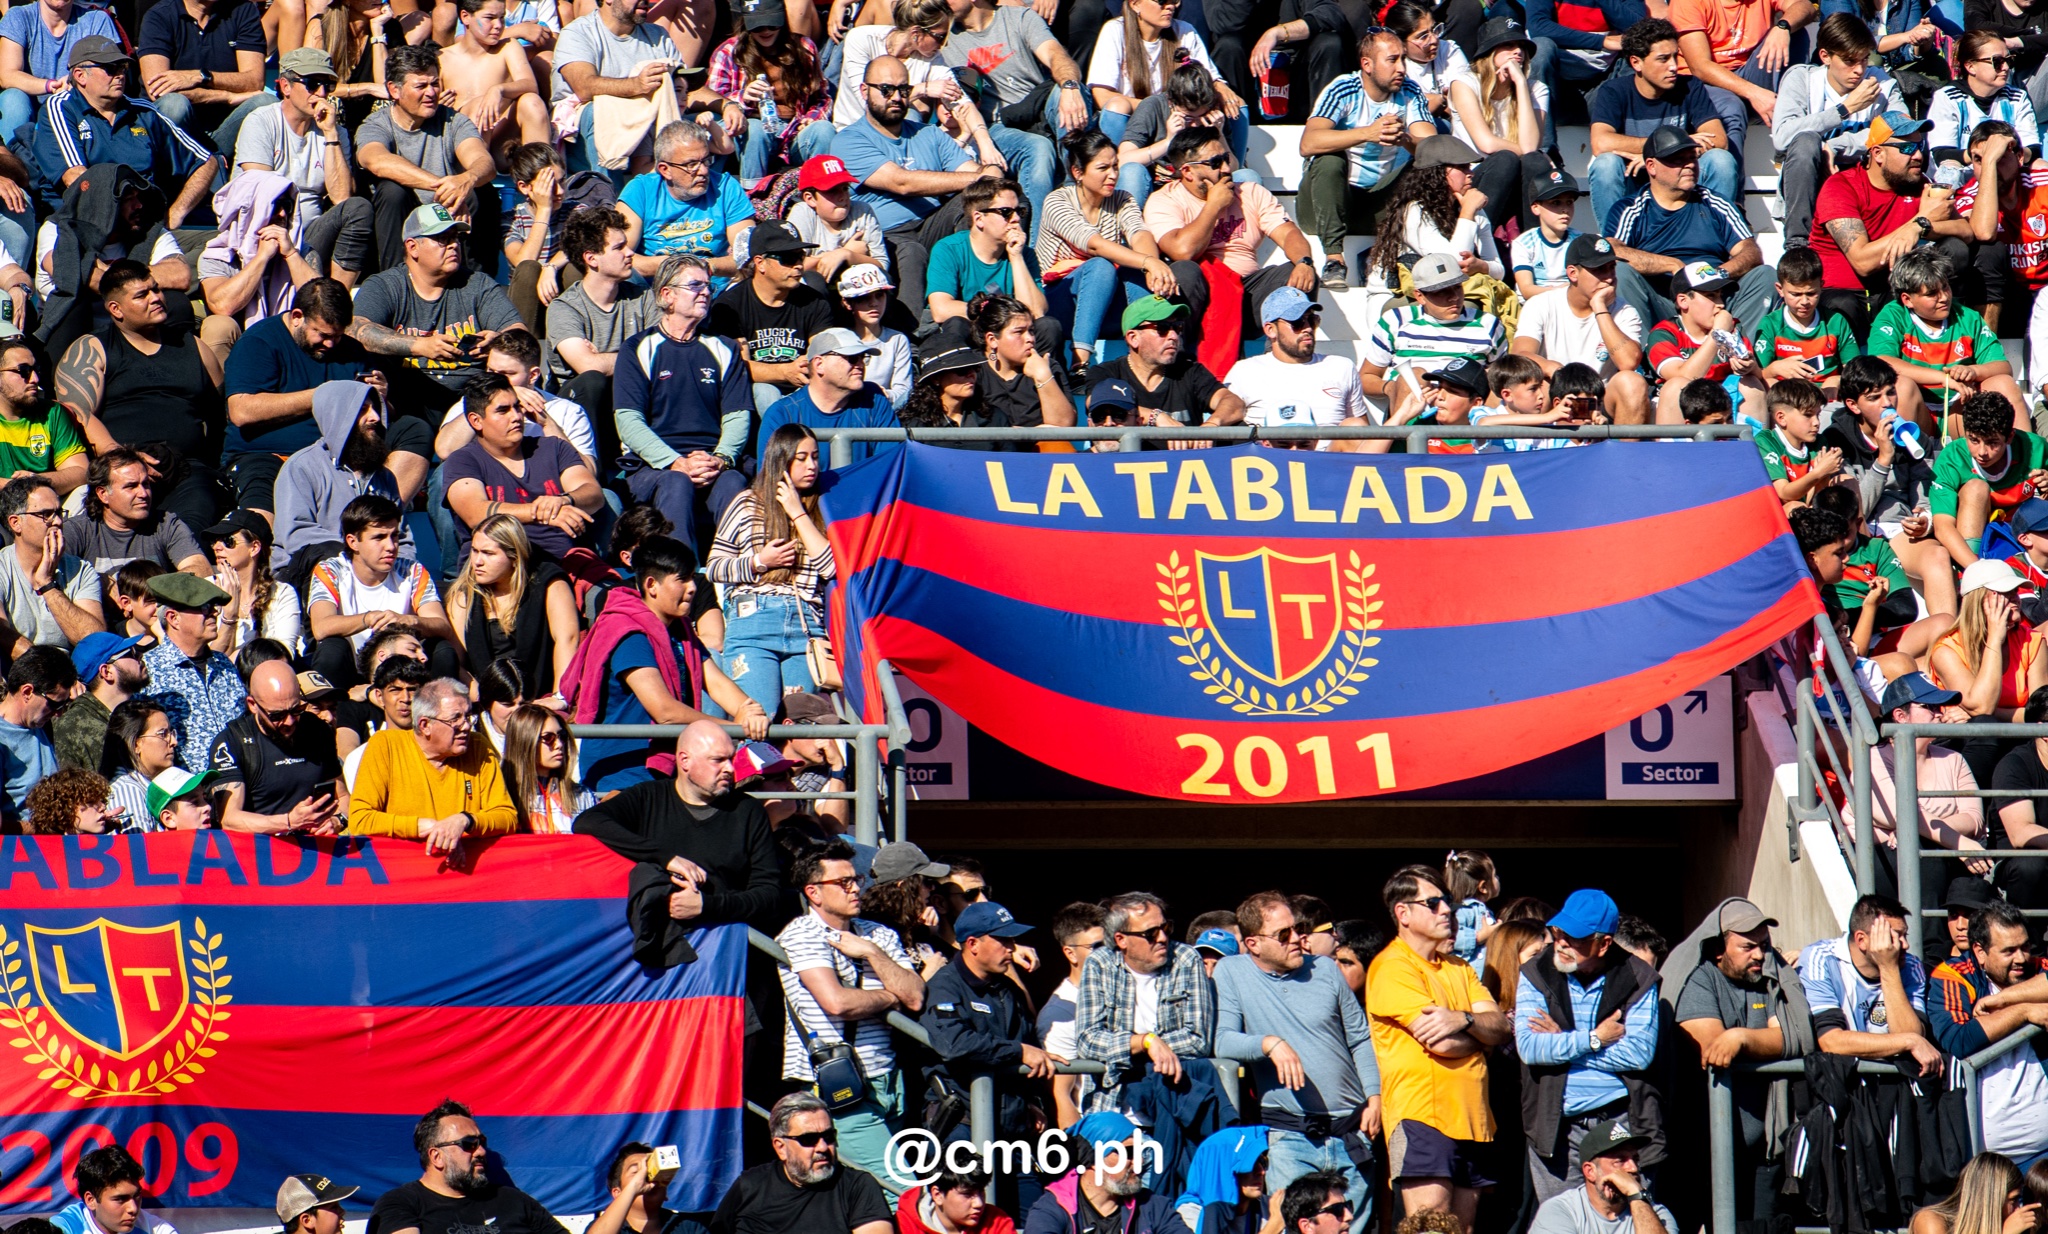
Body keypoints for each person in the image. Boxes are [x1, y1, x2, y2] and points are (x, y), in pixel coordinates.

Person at [1214, 890, 1381, 1230]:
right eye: (1283, 934)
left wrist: (1375, 1097)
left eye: (1299, 928)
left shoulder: (1325, 968)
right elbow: (1221, 1040)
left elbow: (1360, 1038)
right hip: (1291, 1134)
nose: (1298, 939)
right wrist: (1270, 1044)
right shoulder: (1232, 971)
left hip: (1352, 1128)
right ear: (1253, 943)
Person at [776, 838, 927, 1196]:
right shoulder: (801, 934)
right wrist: (891, 997)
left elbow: (916, 996)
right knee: (906, 1193)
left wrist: (871, 952)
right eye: (843, 882)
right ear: (813, 892)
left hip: (890, 1081)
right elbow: (837, 1003)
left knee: (866, 1196)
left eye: (856, 878)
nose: (856, 887)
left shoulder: (878, 935)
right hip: (839, 1086)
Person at [1367, 864, 1510, 1229]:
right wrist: (1481, 1042)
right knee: (1430, 1228)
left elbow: (1500, 1027)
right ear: (1403, 913)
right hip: (1423, 1119)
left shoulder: (1459, 967)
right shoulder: (1392, 966)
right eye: (1433, 903)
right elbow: (1443, 1043)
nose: (1447, 910)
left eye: (1446, 901)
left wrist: (1463, 1019)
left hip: (1474, 1121)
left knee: (1461, 1230)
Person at [221, 278, 423, 520]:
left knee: (414, 429)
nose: (330, 343)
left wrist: (380, 398)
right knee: (261, 518)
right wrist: (324, 394)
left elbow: (376, 416)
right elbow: (242, 411)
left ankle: (377, 518)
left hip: (342, 456)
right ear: (297, 316)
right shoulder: (260, 342)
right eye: (323, 334)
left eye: (337, 336)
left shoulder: (350, 350)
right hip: (269, 456)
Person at [53, 260, 227, 533]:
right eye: (142, 295)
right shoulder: (93, 349)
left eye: (155, 289)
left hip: (188, 469)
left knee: (190, 525)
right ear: (115, 309)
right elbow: (75, 413)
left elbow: (221, 412)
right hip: (123, 470)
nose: (156, 297)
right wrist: (121, 456)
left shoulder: (193, 346)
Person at [1512, 890, 1663, 1204]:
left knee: (1623, 1219)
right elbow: (1529, 1048)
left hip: (1621, 1124)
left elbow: (1638, 1054)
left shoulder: (1639, 977)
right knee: (1563, 1222)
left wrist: (1562, 1040)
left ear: (1604, 943)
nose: (1562, 942)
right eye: (1558, 932)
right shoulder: (1535, 972)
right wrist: (1593, 1038)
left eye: (1574, 937)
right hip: (1557, 1128)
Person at [1672, 898, 1812, 1234]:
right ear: (1719, 949)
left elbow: (1798, 1035)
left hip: (1768, 1149)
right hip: (1708, 1151)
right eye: (1748, 946)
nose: (1760, 955)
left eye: (1764, 945)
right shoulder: (1701, 980)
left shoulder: (1772, 975)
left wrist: (1742, 1039)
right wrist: (1753, 1039)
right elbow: (1714, 1047)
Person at [1148, 125, 1319, 378]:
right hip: (1200, 298)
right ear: (1188, 172)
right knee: (1184, 270)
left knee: (1298, 273)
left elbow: (1289, 233)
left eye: (1226, 158)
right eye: (1215, 162)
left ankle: (1279, 364)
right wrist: (1214, 206)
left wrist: (1305, 262)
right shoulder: (1165, 200)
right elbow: (1182, 251)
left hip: (1248, 296)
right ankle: (1180, 367)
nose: (1227, 169)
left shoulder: (1250, 192)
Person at [576, 718, 780, 928]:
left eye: (731, 759)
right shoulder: (648, 797)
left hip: (724, 942)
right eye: (717, 760)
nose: (729, 768)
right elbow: (588, 822)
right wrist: (665, 858)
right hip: (654, 941)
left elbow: (769, 894)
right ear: (684, 760)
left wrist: (706, 905)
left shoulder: (748, 811)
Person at [831, 55, 991, 317]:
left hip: (931, 223)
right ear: (864, 91)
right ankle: (911, 334)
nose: (896, 97)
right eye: (886, 89)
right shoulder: (848, 140)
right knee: (911, 251)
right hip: (888, 235)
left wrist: (989, 174)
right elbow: (901, 182)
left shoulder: (927, 133)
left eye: (903, 90)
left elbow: (973, 173)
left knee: (981, 202)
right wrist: (982, 178)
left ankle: (981, 303)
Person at [615, 255, 753, 554]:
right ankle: (679, 579)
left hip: (711, 460)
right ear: (667, 295)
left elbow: (737, 414)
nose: (705, 292)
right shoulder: (637, 348)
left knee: (732, 481)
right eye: (694, 285)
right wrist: (674, 462)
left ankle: (738, 574)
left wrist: (721, 458)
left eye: (708, 286)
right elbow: (628, 421)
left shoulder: (724, 347)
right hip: (655, 466)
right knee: (677, 482)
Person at [705, 422, 836, 710]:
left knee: (800, 726)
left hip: (806, 626)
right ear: (781, 459)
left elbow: (830, 568)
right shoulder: (747, 503)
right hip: (754, 621)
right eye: (800, 458)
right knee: (759, 717)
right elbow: (714, 566)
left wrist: (797, 513)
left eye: (814, 456)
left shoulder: (824, 507)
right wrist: (759, 562)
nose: (811, 465)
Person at [1810, 114, 1976, 336]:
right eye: (1907, 148)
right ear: (1878, 153)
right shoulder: (1841, 187)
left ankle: (1955, 341)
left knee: (1955, 249)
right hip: (1844, 294)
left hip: (1895, 290)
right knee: (1842, 305)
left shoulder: (1921, 184)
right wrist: (1917, 222)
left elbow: (1967, 232)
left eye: (1920, 146)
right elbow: (1862, 262)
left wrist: (1921, 226)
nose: (1918, 155)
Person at [1298, 27, 1436, 291]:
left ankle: (1415, 259)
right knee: (1330, 159)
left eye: (1403, 59)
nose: (1402, 68)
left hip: (1377, 206)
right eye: (1393, 60)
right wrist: (1368, 133)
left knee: (1425, 166)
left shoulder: (1410, 92)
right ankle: (1334, 260)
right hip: (1325, 205)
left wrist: (1405, 139)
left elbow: (1432, 150)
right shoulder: (1344, 88)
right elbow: (1308, 143)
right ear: (1367, 64)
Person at [347, 202, 522, 407]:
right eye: (442, 239)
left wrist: (499, 341)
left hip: (471, 401)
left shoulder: (478, 284)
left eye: (455, 237)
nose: (454, 245)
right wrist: (420, 345)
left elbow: (519, 332)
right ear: (413, 247)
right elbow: (356, 330)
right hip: (407, 400)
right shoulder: (385, 286)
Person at [1607, 125, 1775, 337]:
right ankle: (1651, 361)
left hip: (1716, 298)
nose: (1689, 165)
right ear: (1651, 166)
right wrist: (1672, 265)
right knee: (1620, 273)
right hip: (1664, 303)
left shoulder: (1714, 203)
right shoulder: (1631, 208)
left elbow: (1751, 252)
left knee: (1765, 276)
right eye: (1678, 160)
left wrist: (1716, 275)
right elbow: (1613, 250)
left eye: (1692, 158)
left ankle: (1735, 357)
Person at [368, 1099, 627, 1234]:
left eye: (481, 1142)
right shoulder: (400, 1204)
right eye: (468, 1144)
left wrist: (632, 1187)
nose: (480, 1151)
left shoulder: (512, 1200)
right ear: (436, 1157)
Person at [29, 38, 217, 222]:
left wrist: (175, 213)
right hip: (84, 224)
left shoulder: (143, 111)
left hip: (145, 223)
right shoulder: (61, 107)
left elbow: (206, 161)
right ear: (80, 75)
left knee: (209, 249)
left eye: (122, 68)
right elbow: (77, 178)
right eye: (110, 68)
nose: (119, 75)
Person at [234, 48, 374, 289]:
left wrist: (330, 134)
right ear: (286, 87)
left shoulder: (335, 132)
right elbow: (260, 196)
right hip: (265, 233)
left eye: (327, 86)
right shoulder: (262, 122)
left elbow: (341, 198)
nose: (321, 93)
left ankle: (336, 297)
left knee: (358, 208)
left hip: (311, 235)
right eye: (312, 84)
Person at [921, 898, 1055, 1146]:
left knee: (1031, 1186)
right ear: (972, 944)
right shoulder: (944, 986)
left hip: (1013, 1127)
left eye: (1012, 940)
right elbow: (954, 1044)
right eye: (1003, 940)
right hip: (961, 1123)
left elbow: (1029, 1043)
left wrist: (1030, 1103)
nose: (1011, 949)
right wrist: (1019, 1051)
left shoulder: (1008, 990)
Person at [357, 44, 500, 275]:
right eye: (421, 86)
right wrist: (448, 187)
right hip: (406, 219)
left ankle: (476, 283)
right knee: (392, 192)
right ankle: (395, 283)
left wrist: (467, 179)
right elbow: (376, 160)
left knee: (481, 190)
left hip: (450, 215)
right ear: (394, 90)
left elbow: (483, 162)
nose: (432, 92)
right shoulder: (376, 124)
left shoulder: (453, 121)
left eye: (435, 83)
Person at [1584, 19, 1735, 236]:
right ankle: (1615, 248)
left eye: (1675, 56)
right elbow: (1601, 143)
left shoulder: (1690, 86)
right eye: (1663, 59)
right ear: (1636, 63)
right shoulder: (1614, 90)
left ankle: (1718, 238)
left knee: (1721, 160)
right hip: (1634, 180)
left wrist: (1663, 158)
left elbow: (1719, 139)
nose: (1674, 66)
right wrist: (1657, 152)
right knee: (1606, 164)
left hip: (1680, 179)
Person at [1073, 891, 1216, 1119]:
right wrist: (1145, 1043)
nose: (1162, 938)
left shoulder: (1187, 960)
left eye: (1165, 928)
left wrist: (1148, 1046)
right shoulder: (1099, 964)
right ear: (1121, 940)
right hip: (1110, 1106)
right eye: (1151, 933)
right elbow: (1087, 1040)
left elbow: (1198, 1040)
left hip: (1173, 1105)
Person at [1038, 129, 1175, 367]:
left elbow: (1139, 232)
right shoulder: (1057, 201)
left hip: (1104, 302)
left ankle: (1151, 358)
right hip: (1059, 303)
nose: (1112, 175)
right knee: (1103, 265)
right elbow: (1094, 245)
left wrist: (1152, 266)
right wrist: (1149, 262)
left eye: (1115, 166)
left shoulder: (1122, 199)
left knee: (1135, 269)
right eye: (1103, 168)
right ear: (1077, 172)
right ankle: (1079, 363)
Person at [1927, 900, 2048, 1162]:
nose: (2021, 958)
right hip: (1984, 1161)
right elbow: (1958, 1040)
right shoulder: (1954, 975)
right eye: (2009, 951)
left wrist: (2006, 999)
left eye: (2025, 947)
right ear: (1980, 952)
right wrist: (2024, 1011)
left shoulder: (2037, 967)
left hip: (2043, 1153)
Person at [442, 372, 602, 569]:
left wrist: (564, 499)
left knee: (619, 595)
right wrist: (542, 513)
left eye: (517, 407)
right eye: (503, 410)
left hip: (564, 563)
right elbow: (475, 513)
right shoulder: (464, 460)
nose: (517, 416)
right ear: (476, 421)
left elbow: (593, 493)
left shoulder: (553, 448)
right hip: (498, 569)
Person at [1772, 16, 1904, 253]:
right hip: (1814, 183)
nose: (1859, 70)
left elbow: (1899, 131)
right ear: (1825, 56)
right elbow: (1782, 137)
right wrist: (1843, 110)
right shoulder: (1802, 78)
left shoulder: (1882, 84)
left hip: (1861, 182)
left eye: (1864, 59)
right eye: (1849, 61)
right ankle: (1797, 244)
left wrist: (1834, 146)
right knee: (1805, 141)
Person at [346, 675, 517, 851]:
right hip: (405, 869)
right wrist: (427, 828)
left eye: (467, 717)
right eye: (455, 719)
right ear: (425, 725)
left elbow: (507, 816)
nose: (465, 726)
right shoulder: (386, 746)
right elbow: (360, 819)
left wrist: (464, 820)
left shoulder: (478, 747)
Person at [307, 494, 459, 688]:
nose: (391, 546)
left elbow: (442, 626)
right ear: (353, 542)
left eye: (394, 536)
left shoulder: (413, 571)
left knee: (442, 650)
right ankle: (331, 713)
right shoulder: (331, 570)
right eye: (379, 537)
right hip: (351, 670)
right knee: (332, 649)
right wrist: (369, 618)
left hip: (405, 669)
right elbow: (321, 627)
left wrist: (411, 620)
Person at [1872, 252, 2026, 436]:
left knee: (2003, 383)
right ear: (1907, 299)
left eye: (1945, 288)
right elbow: (1882, 362)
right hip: (1918, 410)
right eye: (1932, 294)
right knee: (1900, 387)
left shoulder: (1968, 317)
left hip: (1960, 410)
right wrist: (1943, 379)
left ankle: (2025, 461)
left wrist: (1974, 371)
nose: (1944, 297)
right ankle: (1901, 462)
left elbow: (2002, 366)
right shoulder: (1893, 316)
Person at [1508, 235, 1650, 424]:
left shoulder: (1625, 311)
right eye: (1599, 270)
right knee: (1516, 386)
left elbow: (1628, 363)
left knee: (1632, 383)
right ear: (1573, 273)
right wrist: (1556, 371)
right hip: (1555, 393)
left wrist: (1599, 307)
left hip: (1600, 400)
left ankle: (1623, 453)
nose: (1609, 278)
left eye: (1611, 268)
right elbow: (1519, 355)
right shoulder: (1541, 304)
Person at [1796, 893, 1943, 1075]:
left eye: (1905, 935)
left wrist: (1888, 968)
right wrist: (1908, 1041)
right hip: (1843, 1082)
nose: (1904, 945)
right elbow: (1831, 1041)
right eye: (1894, 937)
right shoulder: (1821, 959)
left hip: (1893, 1083)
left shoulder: (1911, 967)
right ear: (1861, 940)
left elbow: (1910, 1032)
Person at [273, 379, 413, 571]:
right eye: (362, 409)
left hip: (373, 575)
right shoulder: (302, 467)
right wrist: (361, 551)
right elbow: (297, 534)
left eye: (375, 409)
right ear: (337, 415)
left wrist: (403, 572)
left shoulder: (384, 477)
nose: (375, 417)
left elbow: (402, 539)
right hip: (311, 572)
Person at [708, 1091, 895, 1234]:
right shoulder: (750, 1186)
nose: (822, 1147)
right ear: (781, 1147)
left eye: (828, 1136)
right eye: (809, 1139)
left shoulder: (857, 1186)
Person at [1352, 255, 1507, 428]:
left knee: (1497, 379)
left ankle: (1491, 448)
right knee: (1414, 376)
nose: (1453, 297)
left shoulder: (1489, 323)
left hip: (1467, 408)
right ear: (1420, 296)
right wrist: (1392, 388)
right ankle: (1405, 449)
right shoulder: (1395, 320)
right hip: (1415, 406)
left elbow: (1501, 377)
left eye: (1457, 287)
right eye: (1441, 291)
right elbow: (1366, 377)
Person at [1864, 672, 1990, 872]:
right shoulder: (1873, 760)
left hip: (1938, 856)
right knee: (1925, 857)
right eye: (1929, 707)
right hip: (1881, 862)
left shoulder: (1953, 758)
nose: (1940, 714)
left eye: (1939, 707)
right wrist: (1959, 843)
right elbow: (1902, 814)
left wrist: (1920, 831)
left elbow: (1974, 819)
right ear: (1900, 716)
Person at [708, 220, 838, 412]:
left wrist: (806, 366)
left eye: (800, 257)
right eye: (788, 258)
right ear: (760, 263)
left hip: (803, 388)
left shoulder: (814, 301)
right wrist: (784, 372)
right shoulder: (730, 305)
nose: (798, 266)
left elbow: (822, 354)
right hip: (751, 395)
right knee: (765, 391)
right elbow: (738, 367)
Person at [546, 206, 659, 426]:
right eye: (619, 247)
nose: (630, 253)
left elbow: (663, 354)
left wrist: (604, 359)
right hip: (579, 411)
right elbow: (588, 367)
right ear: (592, 259)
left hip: (633, 398)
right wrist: (639, 355)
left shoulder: (643, 297)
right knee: (593, 381)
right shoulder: (565, 308)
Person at [208, 658, 345, 834]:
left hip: (314, 851)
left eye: (297, 710)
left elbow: (343, 796)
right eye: (277, 715)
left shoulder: (317, 730)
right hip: (261, 852)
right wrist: (289, 821)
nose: (289, 721)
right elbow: (230, 819)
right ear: (252, 705)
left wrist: (338, 819)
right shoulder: (233, 741)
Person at [702, 0, 834, 182]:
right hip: (752, 134)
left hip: (795, 131)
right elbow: (713, 100)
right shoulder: (728, 52)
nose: (765, 31)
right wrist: (743, 97)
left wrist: (811, 119)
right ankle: (753, 195)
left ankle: (822, 191)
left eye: (772, 23)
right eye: (757, 27)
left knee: (824, 129)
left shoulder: (803, 48)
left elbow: (822, 98)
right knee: (755, 129)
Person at [1444, 18, 1553, 236]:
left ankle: (1533, 246)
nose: (1518, 52)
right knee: (1506, 158)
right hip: (1479, 179)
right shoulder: (1464, 83)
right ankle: (1475, 240)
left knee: (1532, 162)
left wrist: (1521, 85)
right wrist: (1537, 154)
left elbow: (1530, 148)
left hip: (1519, 182)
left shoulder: (1536, 89)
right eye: (1508, 46)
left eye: (1521, 46)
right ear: (1489, 53)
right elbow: (1486, 144)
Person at [446, 515, 578, 694]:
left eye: (488, 553)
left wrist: (560, 697)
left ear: (515, 556)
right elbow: (455, 660)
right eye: (475, 551)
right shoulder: (464, 596)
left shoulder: (549, 584)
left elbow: (567, 640)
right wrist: (479, 692)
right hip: (486, 699)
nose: (477, 561)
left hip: (538, 698)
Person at [550, 0, 682, 172]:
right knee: (598, 111)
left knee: (715, 123)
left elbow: (687, 87)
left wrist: (726, 105)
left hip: (647, 125)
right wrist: (636, 84)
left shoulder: (659, 36)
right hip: (586, 136)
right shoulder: (577, 33)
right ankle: (607, 195)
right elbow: (584, 87)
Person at [619, 120, 757, 282]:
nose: (704, 171)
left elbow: (746, 256)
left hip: (716, 290)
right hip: (656, 293)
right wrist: (681, 267)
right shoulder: (640, 190)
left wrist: (705, 267)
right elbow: (619, 256)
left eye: (706, 160)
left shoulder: (725, 188)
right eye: (692, 164)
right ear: (665, 170)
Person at [1225, 286, 1367, 441]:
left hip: (1330, 461)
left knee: (1356, 425)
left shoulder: (1342, 367)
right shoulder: (1244, 371)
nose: (1307, 329)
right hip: (1272, 461)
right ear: (1270, 329)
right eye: (1297, 322)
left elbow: (1363, 436)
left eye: (1312, 321)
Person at [140, 571, 248, 772]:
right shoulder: (150, 670)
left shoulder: (224, 664)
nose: (214, 613)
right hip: (190, 793)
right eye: (204, 607)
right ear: (174, 618)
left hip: (240, 783)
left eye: (214, 607)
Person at [1090, 296, 1243, 431]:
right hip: (1128, 462)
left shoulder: (1189, 371)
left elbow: (1234, 403)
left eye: (1177, 327)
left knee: (1239, 428)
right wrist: (1155, 417)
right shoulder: (1106, 373)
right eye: (1162, 328)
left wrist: (1212, 426)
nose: (1174, 336)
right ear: (1133, 338)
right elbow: (1098, 404)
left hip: (1185, 462)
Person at [135, 0, 268, 148]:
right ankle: (184, 166)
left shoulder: (242, 10)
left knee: (265, 102)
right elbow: (158, 90)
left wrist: (200, 76)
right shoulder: (160, 15)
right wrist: (226, 97)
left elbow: (255, 82)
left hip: (226, 126)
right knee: (174, 105)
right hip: (179, 131)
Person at [927, 176, 1051, 333]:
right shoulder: (948, 249)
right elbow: (941, 309)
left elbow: (1036, 313)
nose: (1017, 219)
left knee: (1048, 327)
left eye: (1019, 211)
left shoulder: (1024, 254)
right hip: (970, 335)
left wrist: (1016, 257)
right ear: (979, 219)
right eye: (1006, 212)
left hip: (1013, 339)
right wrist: (998, 314)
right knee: (957, 325)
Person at [0, 472, 102, 651]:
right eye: (46, 514)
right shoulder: (3, 568)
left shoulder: (80, 569)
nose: (58, 521)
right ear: (16, 523)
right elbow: (2, 634)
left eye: (59, 513)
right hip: (21, 673)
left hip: (72, 672)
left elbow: (95, 641)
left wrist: (47, 585)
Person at [438, 0, 550, 158]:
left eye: (502, 17)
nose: (498, 25)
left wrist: (498, 89)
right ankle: (477, 173)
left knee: (532, 101)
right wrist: (438, 108)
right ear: (465, 17)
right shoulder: (443, 58)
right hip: (462, 144)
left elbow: (531, 85)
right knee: (479, 107)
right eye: (489, 18)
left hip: (501, 141)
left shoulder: (508, 47)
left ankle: (540, 174)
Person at [0, 0, 121, 146]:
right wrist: (52, 86)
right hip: (31, 108)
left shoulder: (96, 20)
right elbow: (7, 75)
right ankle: (11, 163)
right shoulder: (19, 16)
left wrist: (75, 85)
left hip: (76, 108)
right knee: (13, 99)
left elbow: (110, 73)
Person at [1524, 1120, 1678, 1234]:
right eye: (1620, 1161)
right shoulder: (1559, 1211)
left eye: (1635, 1159)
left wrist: (1636, 1196)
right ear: (1590, 1171)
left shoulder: (1655, 1213)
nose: (1633, 1168)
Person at [1929, 31, 2041, 167]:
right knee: (1950, 167)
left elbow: (2033, 149)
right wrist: (1988, 154)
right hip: (1965, 173)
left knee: (2041, 165)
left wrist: (2004, 153)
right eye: (1997, 61)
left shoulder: (2017, 98)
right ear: (1970, 67)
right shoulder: (1948, 98)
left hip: (2007, 169)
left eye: (2009, 60)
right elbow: (1942, 154)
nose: (2006, 68)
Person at [1043, 901, 1107, 1126]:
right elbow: (1061, 1097)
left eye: (1112, 945)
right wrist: (1079, 1154)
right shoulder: (1060, 1013)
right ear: (1071, 953)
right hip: (1098, 1132)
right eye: (1097, 947)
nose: (1109, 954)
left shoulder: (1125, 991)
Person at [204, 509, 302, 655]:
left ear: (254, 547)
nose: (217, 547)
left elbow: (283, 654)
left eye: (228, 541)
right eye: (214, 541)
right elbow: (205, 662)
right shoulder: (205, 590)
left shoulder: (281, 593)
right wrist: (229, 617)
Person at [789, 153, 891, 291]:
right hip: (820, 292)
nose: (842, 197)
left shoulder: (862, 211)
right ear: (810, 198)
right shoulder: (803, 212)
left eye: (845, 188)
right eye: (832, 191)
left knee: (883, 278)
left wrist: (848, 256)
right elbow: (793, 268)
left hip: (858, 292)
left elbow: (882, 266)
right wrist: (843, 252)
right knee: (812, 280)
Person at [0, 337, 86, 496]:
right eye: (23, 371)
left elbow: (81, 471)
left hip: (44, 506)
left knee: (83, 492)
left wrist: (36, 481)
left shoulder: (52, 412)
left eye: (36, 370)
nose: (35, 379)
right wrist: (13, 487)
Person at [0, 643, 72, 825]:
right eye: (55, 704)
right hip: (21, 848)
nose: (58, 713)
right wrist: (45, 828)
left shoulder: (42, 725)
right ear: (27, 692)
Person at [54, 629, 145, 771]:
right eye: (130, 654)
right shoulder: (74, 726)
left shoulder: (143, 711)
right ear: (106, 672)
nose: (140, 656)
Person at [498, 701, 589, 832]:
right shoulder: (501, 799)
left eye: (562, 736)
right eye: (548, 738)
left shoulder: (582, 796)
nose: (559, 744)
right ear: (526, 741)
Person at [52, 1148, 181, 1234]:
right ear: (91, 1200)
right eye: (120, 1199)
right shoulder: (63, 1228)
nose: (133, 1209)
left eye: (136, 1196)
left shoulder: (151, 1228)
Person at [101, 697, 180, 827]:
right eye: (162, 734)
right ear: (135, 744)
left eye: (171, 733)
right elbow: (137, 846)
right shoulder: (127, 790)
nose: (173, 742)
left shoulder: (143, 787)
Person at [899, 1167, 1016, 1234]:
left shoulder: (996, 1220)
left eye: (981, 1192)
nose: (979, 1203)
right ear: (937, 1195)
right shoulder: (903, 1226)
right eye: (967, 1194)